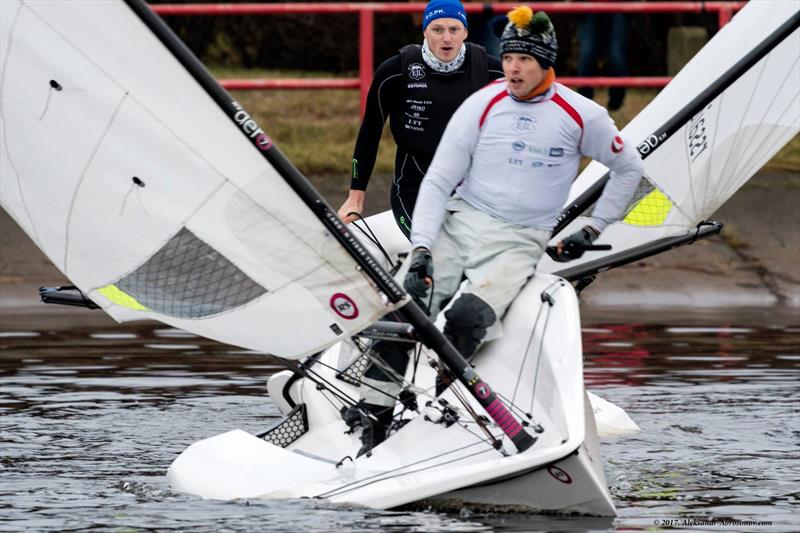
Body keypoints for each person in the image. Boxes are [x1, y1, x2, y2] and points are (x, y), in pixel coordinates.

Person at [403, 6, 644, 385]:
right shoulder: (482, 104)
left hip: (520, 239)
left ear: (546, 63)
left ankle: (441, 397)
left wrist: (594, 229)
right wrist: (421, 249)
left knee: (467, 319)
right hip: (462, 221)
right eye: (509, 57)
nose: (512, 68)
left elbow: (629, 168)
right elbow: (437, 182)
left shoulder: (583, 114)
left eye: (525, 59)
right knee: (406, 307)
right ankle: (373, 409)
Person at [337, 0, 503, 238]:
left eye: (454, 29)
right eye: (438, 29)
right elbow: (369, 133)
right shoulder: (396, 71)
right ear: (425, 31)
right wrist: (355, 197)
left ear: (465, 32)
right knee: (432, 251)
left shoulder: (492, 70)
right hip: (415, 188)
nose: (447, 38)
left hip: (473, 189)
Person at [576, 11, 630, 111]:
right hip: (588, 7)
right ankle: (582, 104)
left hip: (619, 6)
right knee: (587, 54)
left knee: (617, 56)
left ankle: (616, 104)